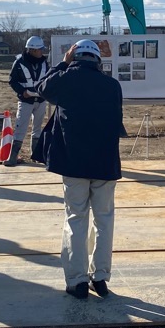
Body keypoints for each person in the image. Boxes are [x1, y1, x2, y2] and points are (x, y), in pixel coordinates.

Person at [37, 39, 125, 300]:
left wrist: (62, 64)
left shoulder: (66, 79)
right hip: (105, 164)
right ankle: (100, 278)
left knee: (75, 219)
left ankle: (77, 282)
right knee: (104, 220)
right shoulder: (112, 85)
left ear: (75, 58)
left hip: (73, 163)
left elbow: (43, 89)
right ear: (98, 60)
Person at [5, 35, 50, 166]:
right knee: (21, 127)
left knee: (37, 128)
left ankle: (36, 155)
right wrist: (22, 92)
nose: (42, 51)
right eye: (40, 49)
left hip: (41, 100)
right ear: (33, 50)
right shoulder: (19, 62)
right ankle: (13, 156)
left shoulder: (43, 62)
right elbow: (12, 81)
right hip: (26, 101)